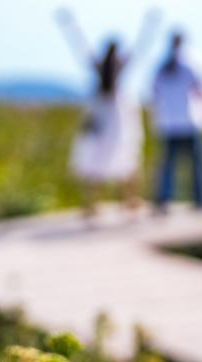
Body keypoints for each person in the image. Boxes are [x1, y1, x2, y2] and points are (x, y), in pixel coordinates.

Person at [55, 8, 160, 217]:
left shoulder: (98, 70)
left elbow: (79, 43)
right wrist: (150, 26)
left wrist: (69, 25)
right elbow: (140, 47)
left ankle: (92, 203)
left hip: (103, 118)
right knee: (126, 157)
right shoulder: (118, 71)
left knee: (98, 159)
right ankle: (129, 199)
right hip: (117, 119)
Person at [151, 30, 202, 213]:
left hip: (168, 122)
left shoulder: (161, 67)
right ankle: (201, 199)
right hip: (190, 121)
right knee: (197, 164)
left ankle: (163, 198)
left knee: (168, 165)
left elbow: (154, 92)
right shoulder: (191, 65)